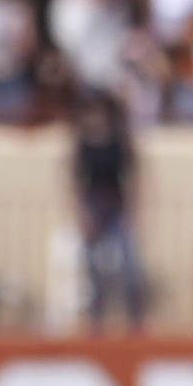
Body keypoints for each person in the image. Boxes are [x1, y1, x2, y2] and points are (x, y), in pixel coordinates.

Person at [68, 91, 145, 331]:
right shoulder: (81, 144)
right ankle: (96, 322)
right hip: (94, 205)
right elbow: (74, 182)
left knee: (130, 265)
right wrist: (83, 213)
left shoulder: (120, 141)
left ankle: (135, 321)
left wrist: (132, 212)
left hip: (117, 205)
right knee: (92, 269)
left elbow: (134, 177)